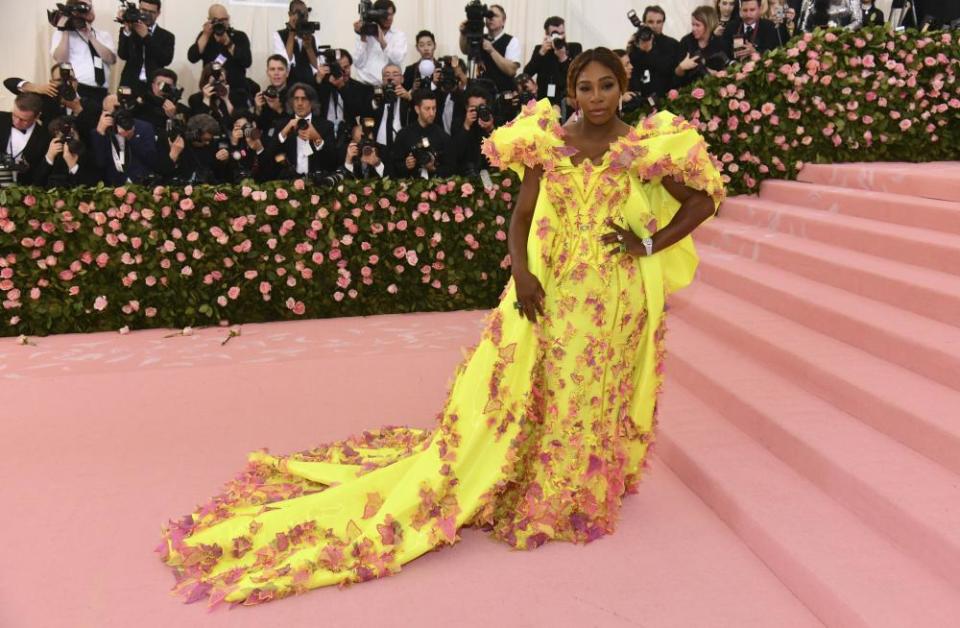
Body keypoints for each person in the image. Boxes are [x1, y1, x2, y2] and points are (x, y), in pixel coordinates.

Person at [157, 46, 724, 606]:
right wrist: (522, 273)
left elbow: (703, 200)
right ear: (570, 91)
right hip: (549, 288)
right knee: (536, 385)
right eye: (584, 87)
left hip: (614, 298)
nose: (595, 97)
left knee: (593, 389)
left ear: (622, 86)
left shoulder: (645, 146)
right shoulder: (548, 142)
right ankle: (533, 475)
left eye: (606, 85)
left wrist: (646, 242)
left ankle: (578, 489)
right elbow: (521, 216)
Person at [262, 82, 337, 179]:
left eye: (304, 99)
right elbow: (268, 157)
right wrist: (283, 133)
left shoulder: (326, 126)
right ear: (291, 102)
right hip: (288, 183)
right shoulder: (282, 125)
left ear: (311, 102)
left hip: (317, 183)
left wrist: (317, 138)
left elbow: (333, 162)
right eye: (296, 99)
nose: (299, 103)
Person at [50, 0, 118, 102]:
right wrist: (65, 30)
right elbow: (61, 59)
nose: (89, 10)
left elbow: (111, 59)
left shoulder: (104, 35)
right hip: (77, 89)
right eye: (84, 6)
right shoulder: (61, 34)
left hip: (101, 92)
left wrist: (90, 36)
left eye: (91, 6)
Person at [187, 4, 253, 102]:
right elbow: (192, 57)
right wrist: (205, 35)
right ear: (209, 20)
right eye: (216, 20)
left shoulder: (239, 36)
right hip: (211, 91)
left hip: (236, 90)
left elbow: (247, 61)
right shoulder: (205, 37)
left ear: (229, 18)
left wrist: (228, 42)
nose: (221, 23)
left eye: (224, 20)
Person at [89, 93, 157, 185]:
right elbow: (100, 163)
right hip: (112, 186)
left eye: (121, 109)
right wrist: (100, 133)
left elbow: (151, 160)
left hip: (141, 183)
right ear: (104, 113)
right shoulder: (100, 131)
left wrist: (130, 137)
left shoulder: (144, 127)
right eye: (115, 110)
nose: (118, 114)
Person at [459, 4, 523, 94]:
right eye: (488, 15)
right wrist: (463, 33)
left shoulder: (511, 41)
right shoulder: (479, 38)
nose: (491, 18)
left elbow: (511, 70)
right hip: (481, 93)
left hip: (502, 94)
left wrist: (492, 50)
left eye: (495, 16)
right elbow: (465, 50)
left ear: (503, 21)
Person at [116, 0, 175, 95]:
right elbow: (122, 55)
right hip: (129, 84)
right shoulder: (130, 30)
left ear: (158, 13)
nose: (147, 15)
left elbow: (165, 60)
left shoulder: (167, 36)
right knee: (122, 108)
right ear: (139, 9)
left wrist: (146, 37)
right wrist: (127, 30)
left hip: (153, 86)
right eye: (144, 10)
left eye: (151, 12)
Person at [392, 89, 453, 178]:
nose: (432, 113)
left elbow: (451, 168)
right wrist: (406, 165)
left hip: (437, 187)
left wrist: (434, 169)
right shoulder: (403, 135)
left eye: (434, 108)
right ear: (417, 109)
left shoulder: (443, 136)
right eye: (427, 109)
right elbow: (394, 165)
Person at [523, 16, 582, 109]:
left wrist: (563, 58)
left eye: (562, 33)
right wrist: (541, 53)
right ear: (547, 34)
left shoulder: (574, 48)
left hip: (567, 100)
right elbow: (527, 73)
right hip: (544, 100)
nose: (560, 37)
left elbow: (577, 75)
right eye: (556, 34)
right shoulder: (540, 49)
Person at [352, 0, 408, 87]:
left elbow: (398, 59)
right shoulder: (365, 33)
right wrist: (363, 37)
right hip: (364, 85)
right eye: (385, 15)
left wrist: (382, 41)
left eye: (391, 14)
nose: (388, 18)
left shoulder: (399, 35)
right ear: (376, 14)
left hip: (388, 86)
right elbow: (358, 63)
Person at [674, 6, 731, 90]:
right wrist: (681, 67)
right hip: (688, 93)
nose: (693, 28)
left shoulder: (720, 43)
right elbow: (676, 75)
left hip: (713, 93)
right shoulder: (686, 41)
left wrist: (718, 75)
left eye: (697, 25)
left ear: (708, 25)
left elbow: (728, 72)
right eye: (692, 24)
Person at [0, 94, 51, 186]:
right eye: (14, 115)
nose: (16, 122)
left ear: (37, 117)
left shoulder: (45, 137)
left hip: (24, 189)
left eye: (23, 120)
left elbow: (40, 172)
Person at [34, 115, 97, 187]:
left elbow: (91, 186)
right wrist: (49, 157)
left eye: (72, 135)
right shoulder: (50, 153)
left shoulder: (89, 155)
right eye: (63, 136)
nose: (68, 139)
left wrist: (73, 166)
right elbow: (37, 184)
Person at [450, 84, 496, 176]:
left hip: (490, 172)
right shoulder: (458, 123)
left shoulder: (491, 120)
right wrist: (466, 126)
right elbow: (455, 153)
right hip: (464, 174)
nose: (478, 111)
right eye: (474, 107)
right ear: (467, 107)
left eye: (481, 107)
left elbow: (501, 151)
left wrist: (490, 129)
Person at [274, 0, 321, 86]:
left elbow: (317, 67)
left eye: (305, 14)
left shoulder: (313, 37)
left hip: (310, 86)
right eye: (298, 13)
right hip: (289, 86)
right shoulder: (279, 35)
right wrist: (292, 31)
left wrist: (308, 47)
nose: (302, 17)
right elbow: (285, 63)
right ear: (290, 14)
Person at [137, 69, 189, 135]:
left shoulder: (180, 109)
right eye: (159, 84)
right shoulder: (142, 105)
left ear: (173, 88)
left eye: (167, 86)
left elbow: (182, 134)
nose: (162, 89)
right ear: (153, 86)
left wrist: (173, 117)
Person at [254, 55, 292, 136]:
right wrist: (258, 110)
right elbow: (260, 128)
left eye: (280, 69)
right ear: (267, 73)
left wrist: (278, 109)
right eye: (272, 69)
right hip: (267, 144)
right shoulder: (264, 97)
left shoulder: (296, 95)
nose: (276, 73)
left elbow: (297, 125)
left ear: (287, 73)